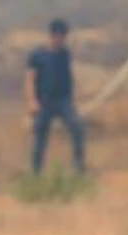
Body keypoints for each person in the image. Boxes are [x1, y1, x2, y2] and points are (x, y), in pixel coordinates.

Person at [25, 18, 86, 175]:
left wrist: (75, 97)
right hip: (44, 102)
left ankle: (79, 168)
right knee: (40, 138)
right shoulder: (37, 55)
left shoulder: (65, 54)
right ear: (52, 35)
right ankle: (36, 173)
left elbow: (68, 76)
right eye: (59, 37)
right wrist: (32, 101)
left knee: (77, 129)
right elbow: (30, 79)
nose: (61, 40)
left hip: (63, 101)